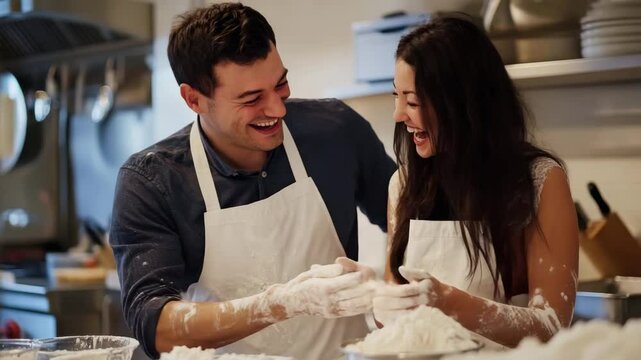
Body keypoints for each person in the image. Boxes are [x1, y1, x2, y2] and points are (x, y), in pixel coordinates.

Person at [109, 3, 395, 359]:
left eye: (281, 84)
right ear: (194, 99)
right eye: (252, 99)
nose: (277, 109)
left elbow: (409, 213)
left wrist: (392, 293)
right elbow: (156, 325)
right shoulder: (152, 181)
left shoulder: (336, 132)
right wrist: (277, 304)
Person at [368, 15, 579, 348]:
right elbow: (394, 318)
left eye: (413, 101)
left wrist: (448, 301)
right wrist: (375, 298)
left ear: (463, 103)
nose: (398, 115)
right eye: (396, 96)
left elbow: (550, 325)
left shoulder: (540, 181)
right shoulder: (404, 185)